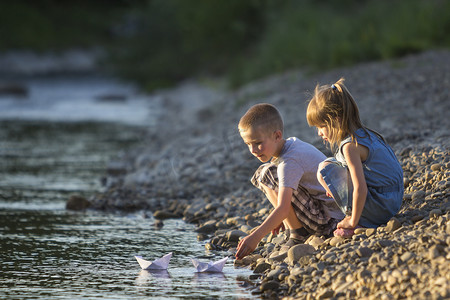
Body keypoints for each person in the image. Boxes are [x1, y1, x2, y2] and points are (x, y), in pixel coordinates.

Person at [235, 103, 344, 260]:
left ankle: (297, 233)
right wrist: (279, 218)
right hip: (326, 211)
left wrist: (256, 237)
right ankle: (293, 226)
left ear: (277, 136)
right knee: (265, 172)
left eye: (258, 143)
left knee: (267, 173)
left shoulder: (289, 161)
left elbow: (283, 208)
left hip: (331, 221)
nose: (253, 150)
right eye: (248, 144)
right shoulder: (292, 143)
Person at [306, 78, 403, 237]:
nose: (319, 133)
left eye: (321, 126)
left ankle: (360, 220)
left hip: (383, 205)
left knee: (324, 169)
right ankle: (361, 215)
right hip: (394, 197)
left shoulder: (350, 146)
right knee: (328, 162)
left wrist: (352, 220)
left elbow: (360, 188)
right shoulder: (365, 134)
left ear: (336, 121)